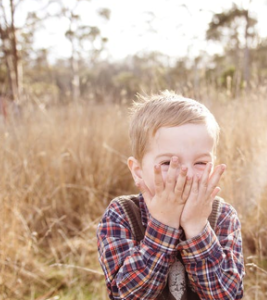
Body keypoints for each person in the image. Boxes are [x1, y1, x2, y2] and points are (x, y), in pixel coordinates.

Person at [97, 91, 245, 300]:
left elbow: (226, 295)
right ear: (138, 170)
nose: (187, 174)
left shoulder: (222, 216)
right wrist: (163, 224)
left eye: (200, 163)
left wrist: (197, 227)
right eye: (168, 163)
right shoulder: (121, 215)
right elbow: (129, 295)